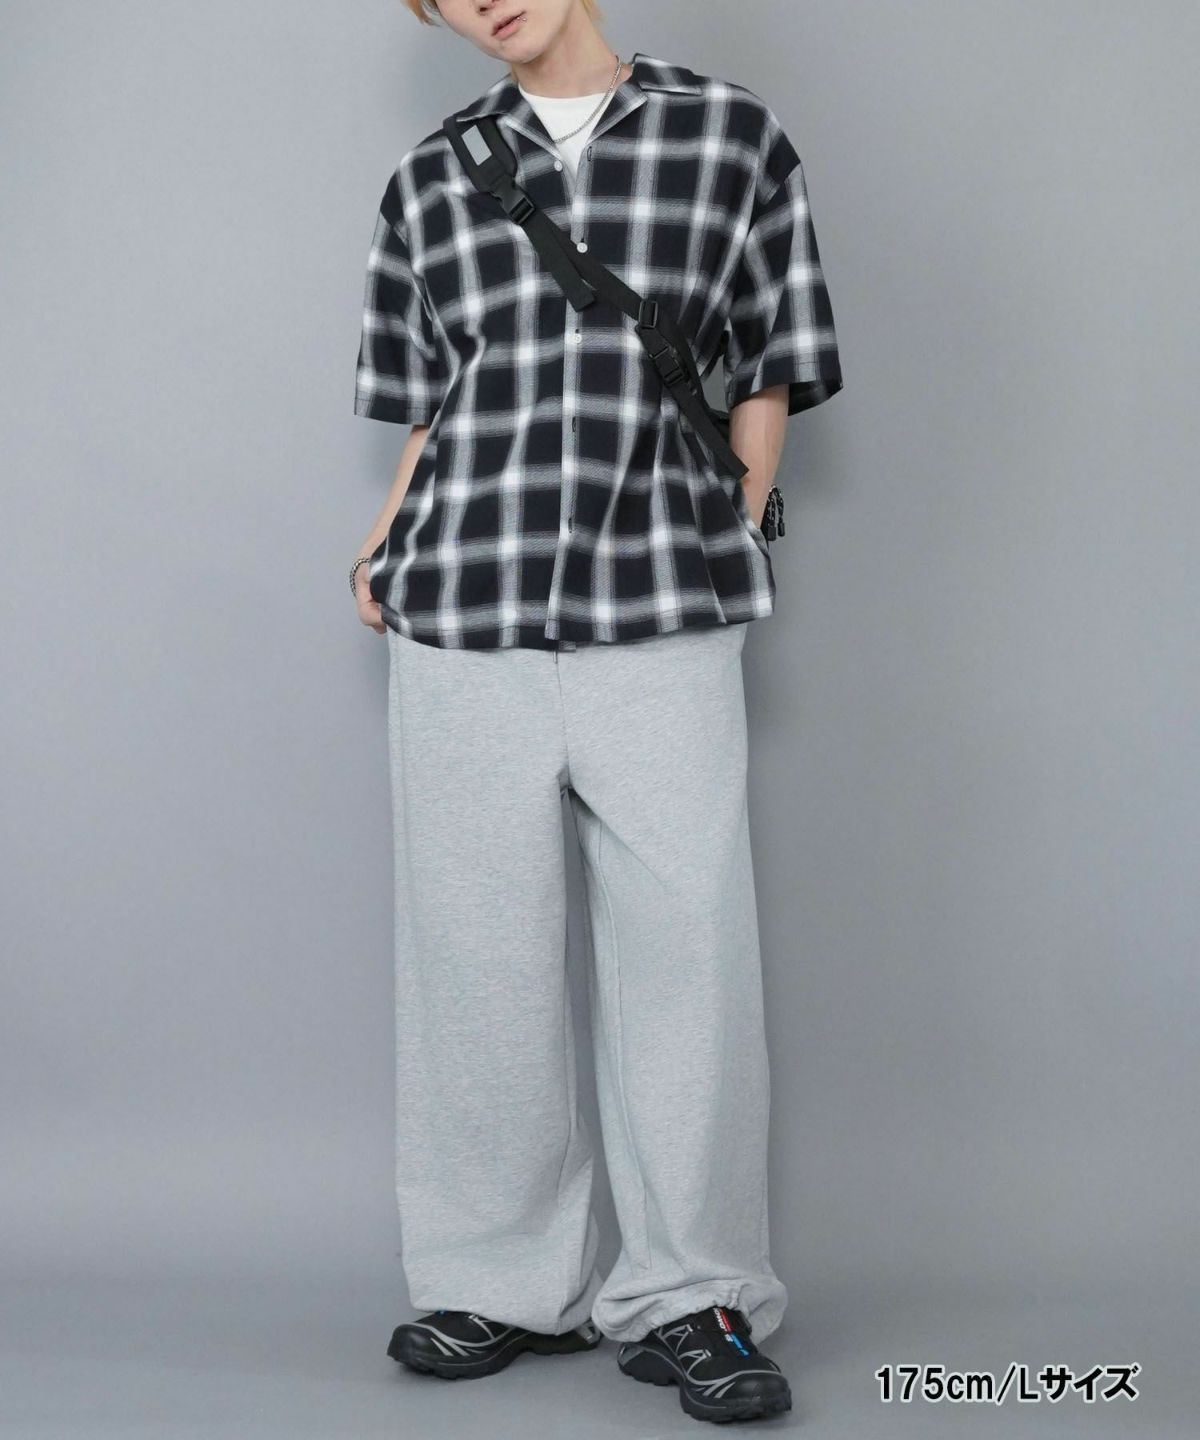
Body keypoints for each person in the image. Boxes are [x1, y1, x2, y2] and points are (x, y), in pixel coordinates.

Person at [349, 0, 842, 1424]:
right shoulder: (430, 176)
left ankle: (695, 1296)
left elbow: (767, 357)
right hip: (465, 601)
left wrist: (739, 518)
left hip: (661, 602)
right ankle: (498, 1283)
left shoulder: (730, 136)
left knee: (689, 953)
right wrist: (381, 545)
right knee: (475, 959)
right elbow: (434, 402)